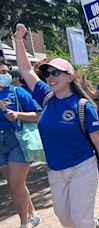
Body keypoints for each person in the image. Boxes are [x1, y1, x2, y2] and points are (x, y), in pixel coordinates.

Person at [15, 23, 99, 228]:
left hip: (82, 167)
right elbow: (26, 70)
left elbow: (98, 140)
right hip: (55, 170)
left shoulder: (84, 106)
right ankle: (95, 224)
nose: (50, 77)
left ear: (70, 77)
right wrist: (18, 40)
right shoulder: (46, 96)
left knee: (79, 221)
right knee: (64, 218)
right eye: (48, 74)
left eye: (56, 73)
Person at [0, 61, 42, 228]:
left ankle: (24, 224)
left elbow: (38, 114)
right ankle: (33, 214)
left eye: (5, 71)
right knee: (14, 184)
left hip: (18, 140)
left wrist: (17, 114)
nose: (4, 75)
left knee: (16, 183)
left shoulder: (17, 92)